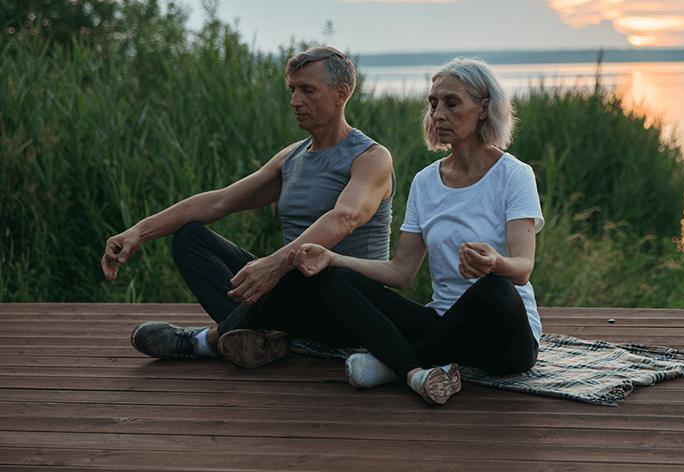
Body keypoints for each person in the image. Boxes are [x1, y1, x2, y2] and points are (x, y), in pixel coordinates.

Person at [101, 46, 395, 368]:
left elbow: (345, 218)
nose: (295, 101)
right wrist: (139, 232)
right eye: (292, 90)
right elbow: (220, 201)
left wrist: (275, 263)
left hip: (347, 305)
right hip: (295, 295)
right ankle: (259, 338)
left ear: (341, 94)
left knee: (301, 270)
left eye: (307, 90)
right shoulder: (292, 158)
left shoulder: (371, 159)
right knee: (190, 238)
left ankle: (205, 342)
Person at [289, 57, 543, 405]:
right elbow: (401, 271)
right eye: (433, 103)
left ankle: (396, 365)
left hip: (504, 339)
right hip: (441, 324)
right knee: (338, 279)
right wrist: (333, 257)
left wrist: (496, 263)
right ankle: (417, 370)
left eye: (452, 103)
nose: (438, 114)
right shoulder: (426, 182)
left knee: (495, 289)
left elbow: (523, 269)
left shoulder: (514, 175)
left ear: (484, 108)